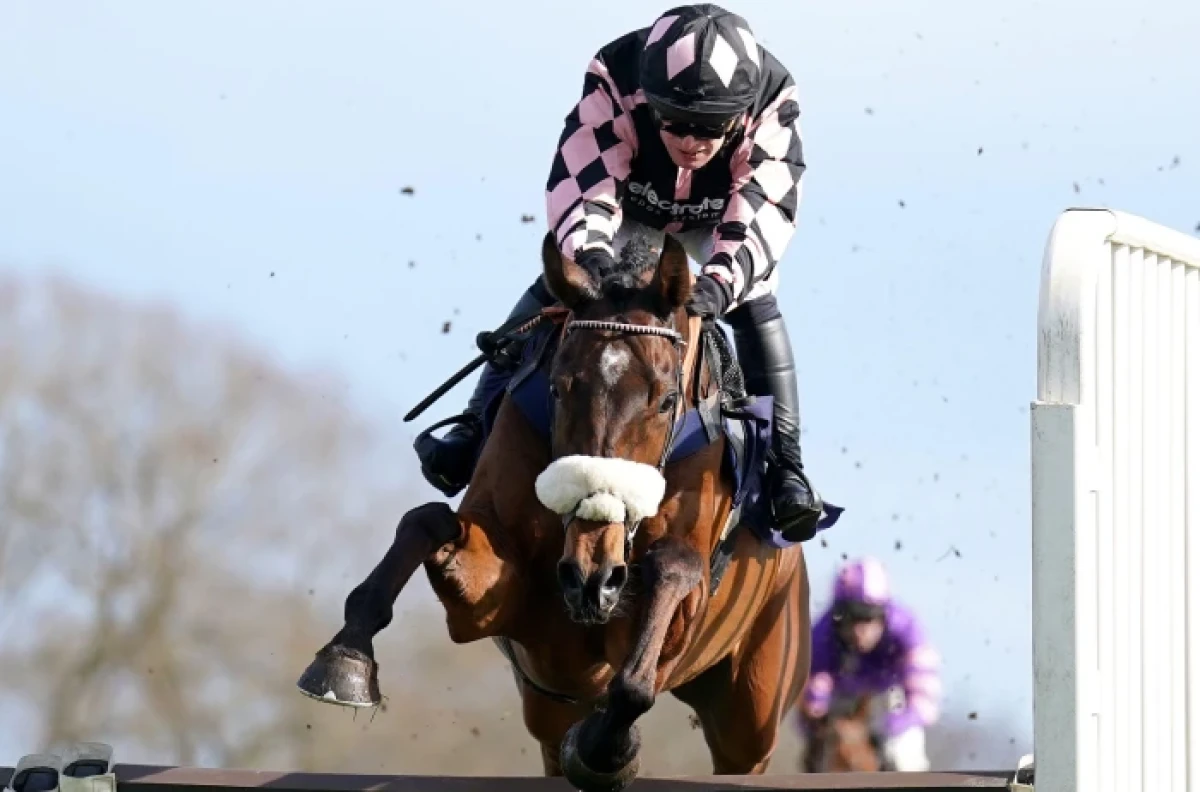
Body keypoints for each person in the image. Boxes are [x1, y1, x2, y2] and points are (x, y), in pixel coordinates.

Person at [415, 3, 824, 541]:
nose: (693, 141)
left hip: (723, 217)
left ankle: (785, 470)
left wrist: (722, 283)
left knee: (758, 298)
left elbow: (763, 208)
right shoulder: (615, 72)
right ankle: (473, 427)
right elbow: (587, 178)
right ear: (651, 97)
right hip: (628, 209)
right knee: (568, 286)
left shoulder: (773, 96)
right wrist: (593, 258)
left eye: (712, 128)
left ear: (739, 113)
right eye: (675, 122)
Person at [797, 557, 943, 772]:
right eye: (852, 616)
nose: (860, 629)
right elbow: (810, 705)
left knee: (904, 755)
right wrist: (823, 726)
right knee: (822, 755)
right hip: (841, 697)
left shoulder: (907, 629)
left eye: (869, 617)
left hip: (890, 697)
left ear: (884, 614)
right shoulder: (820, 636)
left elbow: (926, 704)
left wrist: (887, 727)